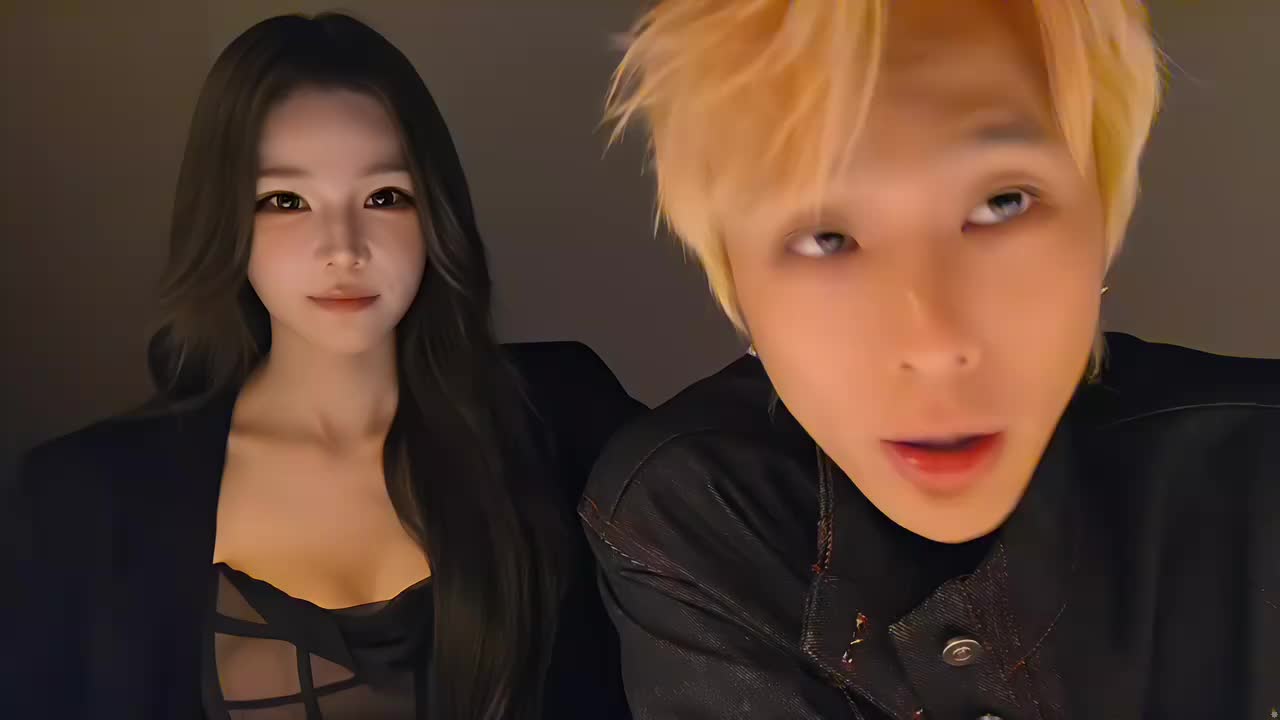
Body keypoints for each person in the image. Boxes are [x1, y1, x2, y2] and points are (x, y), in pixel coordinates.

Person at [581, 1, 1280, 717]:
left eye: (1004, 202)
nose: (934, 347)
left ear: (1100, 221)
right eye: (825, 237)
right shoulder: (705, 513)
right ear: (739, 287)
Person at [7, 13, 639, 720]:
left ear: (436, 215)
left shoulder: (563, 420)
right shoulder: (87, 499)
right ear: (226, 222)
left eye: (384, 197)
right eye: (286, 201)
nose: (343, 247)